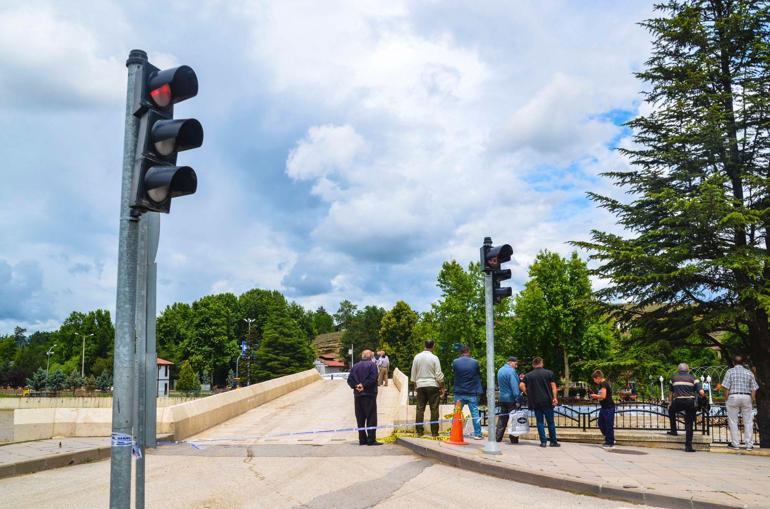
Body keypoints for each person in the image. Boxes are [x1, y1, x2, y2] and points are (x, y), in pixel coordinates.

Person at [722, 355, 759, 451]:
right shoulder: (749, 373)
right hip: (746, 396)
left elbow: (726, 388)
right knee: (748, 421)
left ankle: (735, 444)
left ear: (734, 363)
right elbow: (754, 388)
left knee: (733, 421)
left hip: (733, 396)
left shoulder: (730, 372)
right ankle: (749, 445)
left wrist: (726, 399)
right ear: (743, 363)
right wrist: (752, 399)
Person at [346, 349, 382, 446]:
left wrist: (356, 386)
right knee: (371, 417)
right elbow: (373, 378)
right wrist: (364, 385)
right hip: (369, 395)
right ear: (370, 357)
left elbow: (349, 379)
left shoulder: (355, 366)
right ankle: (371, 440)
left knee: (360, 418)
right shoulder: (372, 365)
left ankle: (362, 439)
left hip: (357, 396)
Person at [410, 340, 445, 437]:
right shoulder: (434, 358)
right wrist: (442, 387)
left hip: (420, 385)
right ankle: (434, 432)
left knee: (420, 409)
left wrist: (415, 386)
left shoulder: (417, 357)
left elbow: (413, 374)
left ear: (424, 345)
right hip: (433, 385)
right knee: (434, 409)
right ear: (433, 346)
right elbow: (438, 374)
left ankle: (419, 431)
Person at [522, 357, 559, 447]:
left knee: (540, 422)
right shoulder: (549, 373)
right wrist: (555, 398)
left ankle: (543, 442)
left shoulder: (528, 375)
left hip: (535, 401)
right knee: (550, 422)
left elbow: (521, 385)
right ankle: (553, 441)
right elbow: (554, 387)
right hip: (547, 401)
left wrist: (528, 393)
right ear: (542, 363)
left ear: (533, 365)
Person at [668, 363, 705, 452]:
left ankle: (674, 430)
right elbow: (701, 392)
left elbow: (670, 393)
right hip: (690, 402)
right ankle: (688, 446)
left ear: (678, 369)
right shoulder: (693, 378)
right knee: (689, 424)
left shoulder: (673, 378)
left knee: (671, 410)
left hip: (678, 402)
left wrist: (670, 403)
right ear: (688, 369)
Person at [452, 345, 483, 440]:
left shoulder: (455, 362)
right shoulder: (475, 362)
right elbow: (478, 373)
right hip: (472, 392)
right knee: (475, 414)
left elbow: (454, 372)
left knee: (457, 413)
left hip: (459, 392)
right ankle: (478, 434)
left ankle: (454, 433)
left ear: (460, 353)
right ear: (469, 352)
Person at [496, 356, 521, 443]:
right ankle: (514, 439)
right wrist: (518, 398)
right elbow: (514, 387)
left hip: (502, 398)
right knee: (513, 419)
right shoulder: (511, 371)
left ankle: (498, 438)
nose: (516, 366)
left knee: (502, 418)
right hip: (511, 399)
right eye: (516, 364)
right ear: (510, 362)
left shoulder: (500, 370)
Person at [590, 370, 615, 449]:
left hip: (609, 407)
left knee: (608, 424)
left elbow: (603, 396)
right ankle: (609, 438)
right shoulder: (601, 384)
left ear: (598, 378)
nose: (594, 381)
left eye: (594, 379)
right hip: (604, 407)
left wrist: (595, 396)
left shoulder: (604, 384)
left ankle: (610, 441)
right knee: (601, 423)